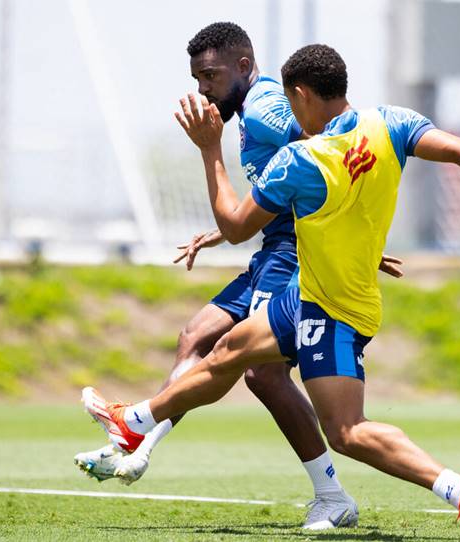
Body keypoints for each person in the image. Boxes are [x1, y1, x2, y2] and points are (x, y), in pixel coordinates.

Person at [83, 44, 460, 541]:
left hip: (334, 310)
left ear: (302, 95)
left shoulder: (300, 161)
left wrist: (210, 151)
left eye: (290, 102)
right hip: (307, 294)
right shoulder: (392, 122)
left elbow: (238, 226)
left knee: (348, 432)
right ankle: (135, 424)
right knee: (228, 350)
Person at [74, 23, 400, 531]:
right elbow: (277, 190)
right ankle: (138, 443)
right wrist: (220, 231)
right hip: (272, 250)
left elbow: (328, 148)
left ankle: (331, 495)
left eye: (210, 75)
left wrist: (353, 230)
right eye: (196, 77)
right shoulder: (251, 110)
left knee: (262, 373)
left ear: (243, 68)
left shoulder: (268, 105)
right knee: (196, 335)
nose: (202, 88)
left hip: (296, 254)